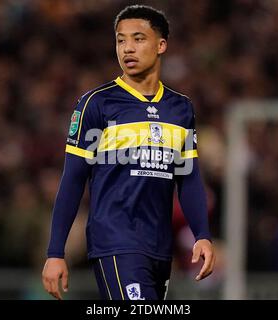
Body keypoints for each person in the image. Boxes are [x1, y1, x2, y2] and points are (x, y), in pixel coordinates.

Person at [42, 5, 215, 300]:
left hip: (160, 247)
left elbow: (188, 178)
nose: (127, 49)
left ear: (161, 45)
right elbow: (72, 179)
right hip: (115, 241)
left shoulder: (180, 108)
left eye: (138, 39)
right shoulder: (96, 104)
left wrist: (202, 235)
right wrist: (55, 251)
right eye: (121, 40)